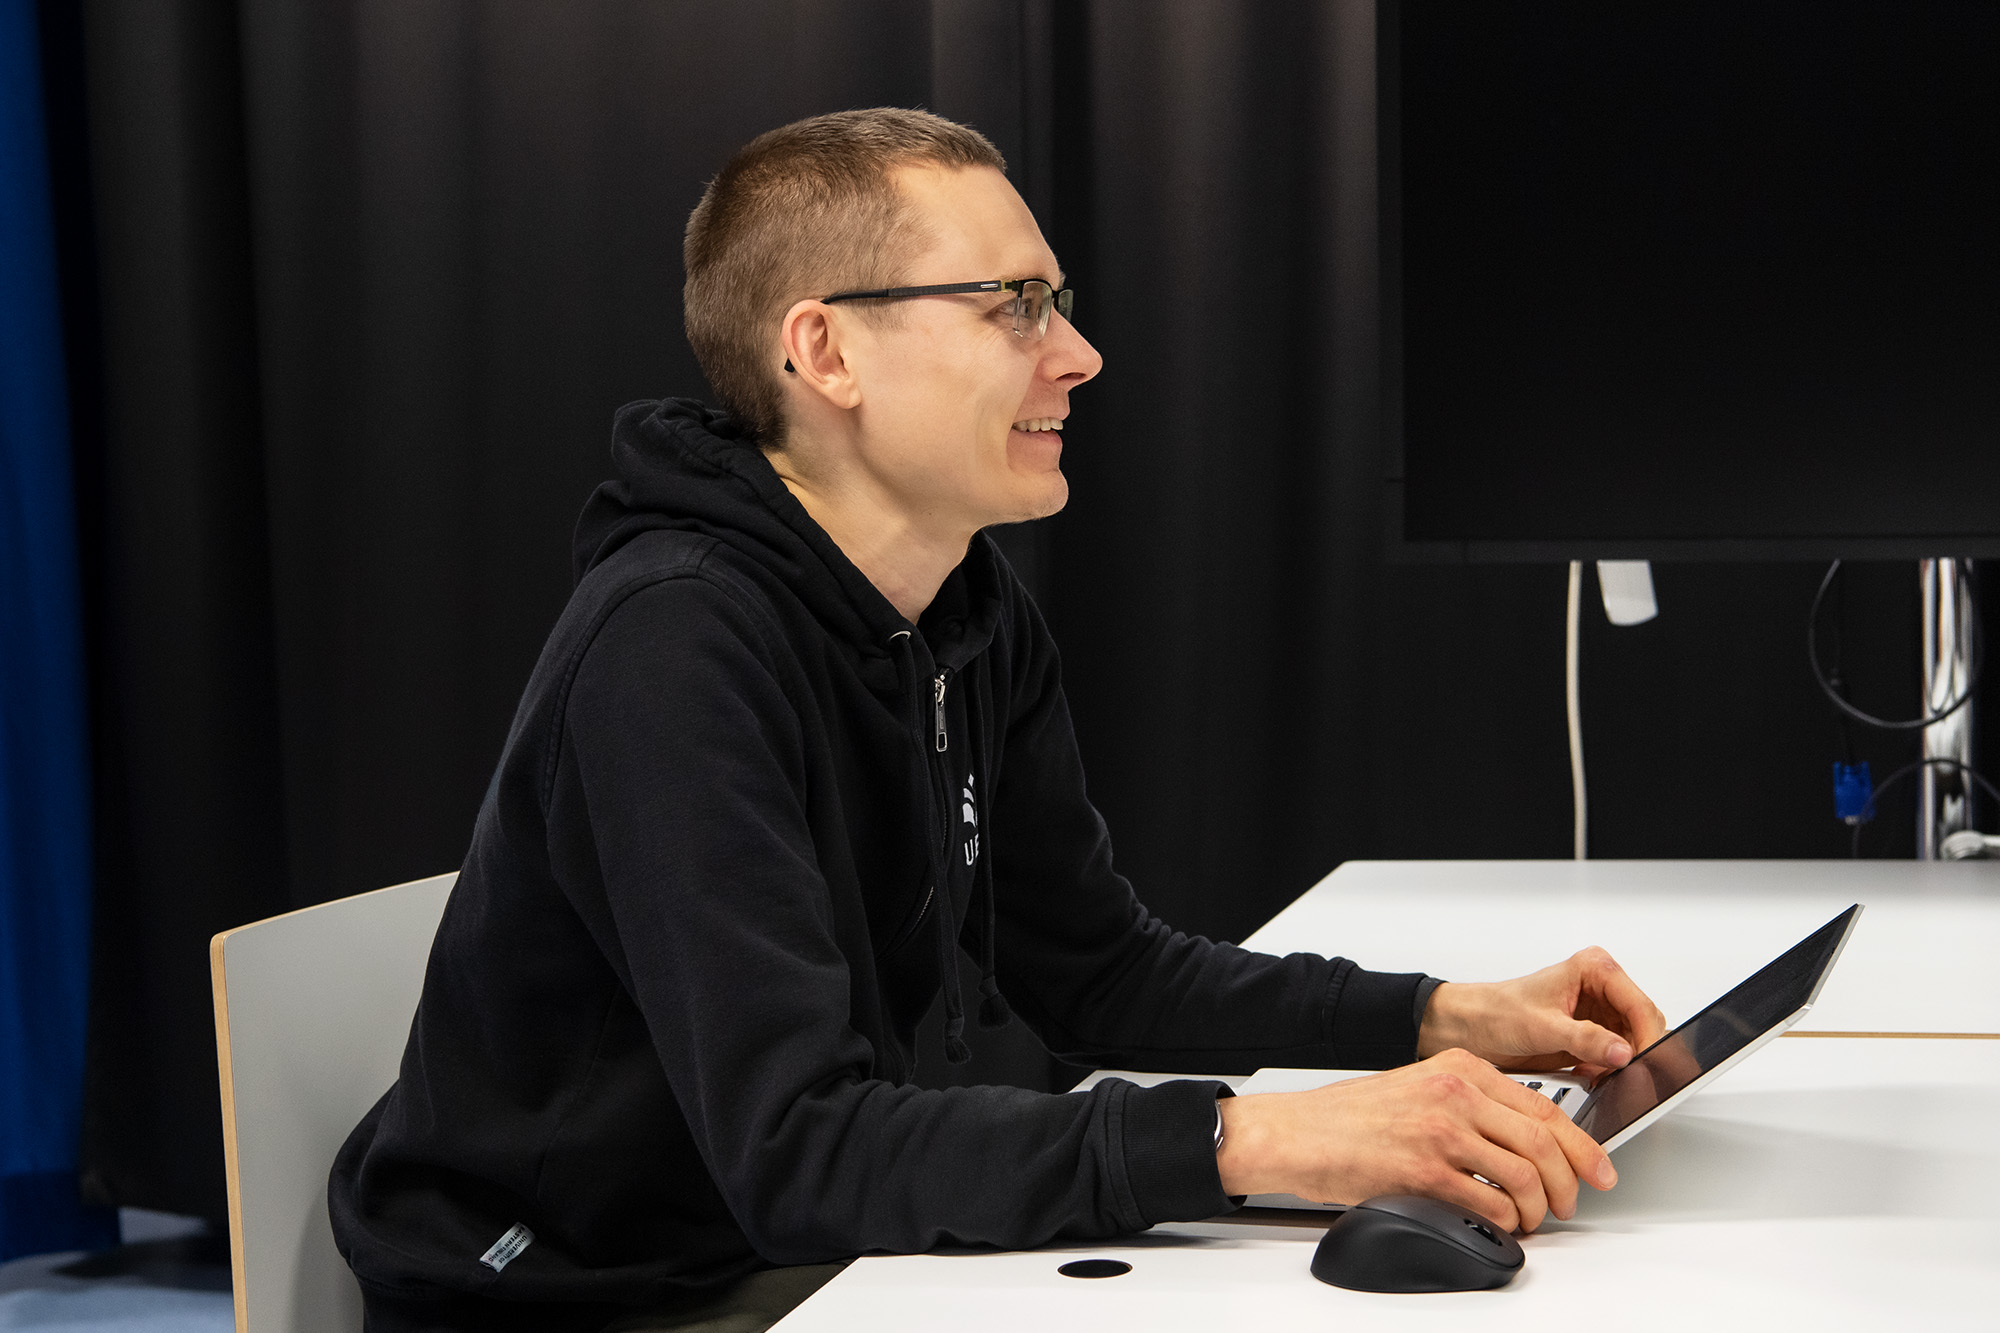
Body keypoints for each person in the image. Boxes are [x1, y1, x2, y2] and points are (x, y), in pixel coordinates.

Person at [329, 108, 1666, 1333]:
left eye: (1058, 303)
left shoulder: (964, 608)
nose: (1078, 356)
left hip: (780, 1248)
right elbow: (801, 1149)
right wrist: (1261, 1140)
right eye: (1014, 305)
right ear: (825, 351)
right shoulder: (673, 645)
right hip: (583, 1297)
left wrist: (1440, 1017)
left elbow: (1098, 975)